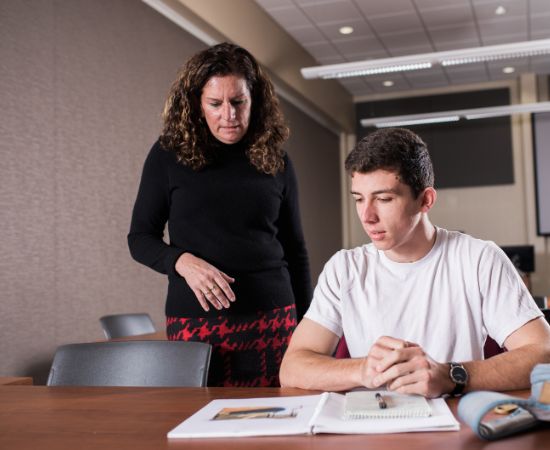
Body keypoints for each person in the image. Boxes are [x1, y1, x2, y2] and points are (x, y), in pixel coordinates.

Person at [280, 127, 550, 397]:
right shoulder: (344, 269)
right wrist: (362, 370)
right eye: (359, 199)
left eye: (384, 199)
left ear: (425, 200)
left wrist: (452, 375)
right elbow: (292, 367)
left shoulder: (479, 260)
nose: (366, 216)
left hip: (455, 426)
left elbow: (544, 351)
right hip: (373, 426)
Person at [128, 42, 312, 387]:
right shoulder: (168, 155)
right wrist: (181, 261)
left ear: (254, 101)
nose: (228, 114)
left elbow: (295, 249)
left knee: (279, 428)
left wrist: (308, 325)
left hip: (274, 318)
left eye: (238, 102)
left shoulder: (276, 159)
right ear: (197, 105)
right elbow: (139, 238)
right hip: (197, 323)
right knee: (198, 428)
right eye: (215, 104)